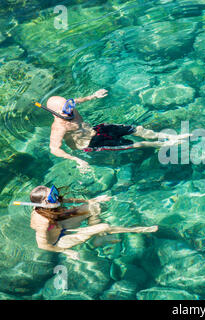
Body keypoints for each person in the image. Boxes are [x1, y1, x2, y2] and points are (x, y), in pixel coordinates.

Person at [46, 89, 190, 171]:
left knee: (135, 129)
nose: (70, 109)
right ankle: (163, 144)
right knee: (135, 144)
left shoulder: (69, 106)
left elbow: (77, 100)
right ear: (55, 113)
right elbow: (54, 149)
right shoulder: (58, 127)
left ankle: (169, 136)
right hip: (90, 144)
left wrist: (93, 96)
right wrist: (76, 160)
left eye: (69, 105)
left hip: (97, 130)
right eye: (66, 109)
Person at [28, 185, 158, 260]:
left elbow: (70, 200)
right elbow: (42, 245)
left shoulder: (53, 201)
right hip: (61, 239)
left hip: (63, 224)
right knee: (104, 226)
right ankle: (138, 230)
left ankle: (98, 237)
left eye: (54, 191)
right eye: (52, 196)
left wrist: (92, 200)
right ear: (45, 202)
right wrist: (65, 251)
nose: (57, 196)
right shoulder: (42, 221)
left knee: (94, 207)